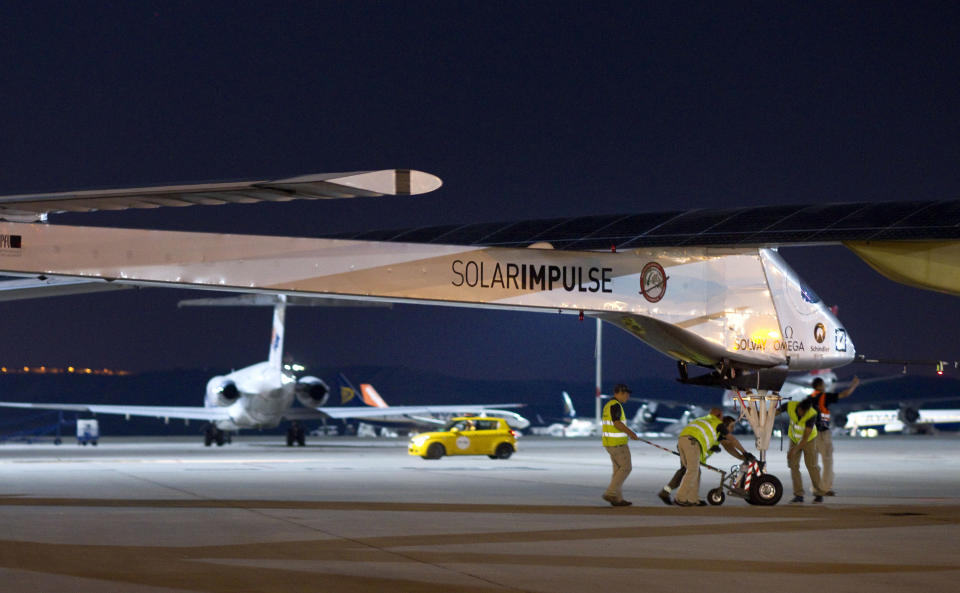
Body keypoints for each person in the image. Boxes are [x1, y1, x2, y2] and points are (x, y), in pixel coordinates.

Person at [661, 408, 750, 506]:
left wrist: (741, 457)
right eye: (731, 426)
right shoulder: (718, 424)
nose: (732, 429)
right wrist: (745, 453)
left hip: (682, 441)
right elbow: (732, 440)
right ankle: (680, 498)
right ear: (721, 418)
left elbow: (729, 447)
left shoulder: (706, 420)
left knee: (694, 472)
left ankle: (693, 500)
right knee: (692, 471)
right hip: (692, 442)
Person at [806, 375, 860, 496]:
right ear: (820, 386)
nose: (825, 387)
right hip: (822, 433)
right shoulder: (824, 396)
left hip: (810, 434)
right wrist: (853, 386)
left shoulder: (809, 398)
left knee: (814, 463)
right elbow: (844, 394)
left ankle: (815, 488)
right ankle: (824, 488)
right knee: (827, 461)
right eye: (824, 384)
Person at [779, 398, 826, 503]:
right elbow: (775, 412)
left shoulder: (811, 414)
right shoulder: (790, 405)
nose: (803, 415)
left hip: (808, 441)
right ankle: (799, 495)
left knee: (812, 466)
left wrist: (794, 450)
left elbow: (805, 438)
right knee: (793, 466)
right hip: (794, 439)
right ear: (798, 408)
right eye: (802, 412)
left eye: (805, 413)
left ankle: (819, 494)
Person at [601, 383, 640, 506]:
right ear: (621, 393)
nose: (628, 397)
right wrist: (631, 433)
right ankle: (611, 493)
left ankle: (617, 499)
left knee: (618, 471)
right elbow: (617, 423)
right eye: (627, 394)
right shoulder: (616, 405)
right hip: (618, 444)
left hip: (609, 443)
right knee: (626, 468)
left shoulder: (608, 405)